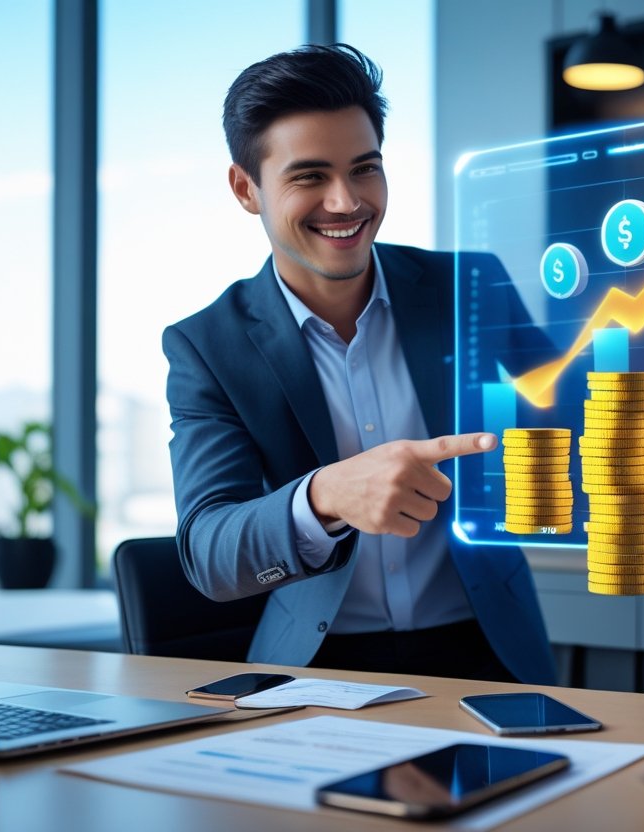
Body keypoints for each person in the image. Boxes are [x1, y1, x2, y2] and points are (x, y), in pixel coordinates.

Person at [163, 43, 555, 684]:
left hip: (487, 647)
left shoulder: (470, 287)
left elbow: (574, 411)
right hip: (316, 666)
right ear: (246, 189)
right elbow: (210, 553)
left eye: (364, 169)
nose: (346, 202)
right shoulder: (208, 346)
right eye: (309, 176)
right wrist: (325, 498)